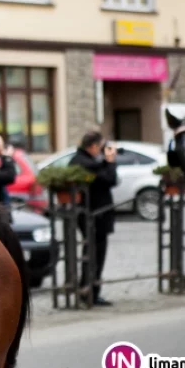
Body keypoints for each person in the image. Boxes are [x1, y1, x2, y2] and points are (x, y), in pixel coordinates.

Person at [68, 131, 118, 307]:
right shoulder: (84, 162)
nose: (103, 150)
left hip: (93, 214)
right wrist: (110, 162)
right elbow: (110, 179)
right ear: (94, 146)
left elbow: (100, 172)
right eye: (101, 146)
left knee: (92, 252)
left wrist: (106, 161)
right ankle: (90, 291)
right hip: (95, 215)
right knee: (95, 253)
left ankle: (88, 289)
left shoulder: (80, 160)